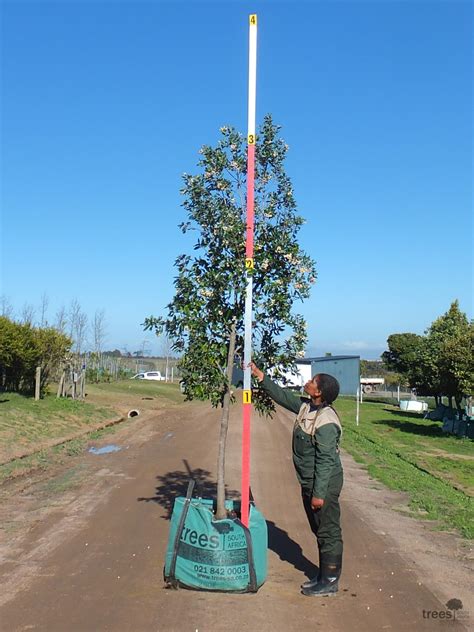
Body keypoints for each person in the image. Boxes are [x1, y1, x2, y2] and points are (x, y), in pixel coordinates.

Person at [249, 362, 343, 597]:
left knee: (327, 531)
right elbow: (283, 397)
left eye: (313, 382)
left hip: (323, 483)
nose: (308, 382)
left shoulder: (326, 421)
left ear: (319, 392)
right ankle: (322, 576)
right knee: (318, 529)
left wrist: (319, 494)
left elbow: (326, 462)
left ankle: (330, 581)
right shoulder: (307, 408)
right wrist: (261, 376)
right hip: (309, 481)